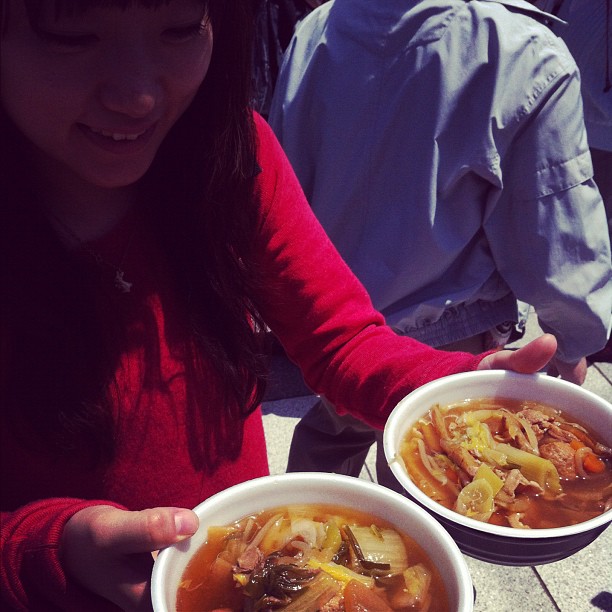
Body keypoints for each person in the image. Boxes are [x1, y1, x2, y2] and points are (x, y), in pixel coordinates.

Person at [0, 1, 560, 610]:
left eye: (181, 27)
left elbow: (339, 338)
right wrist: (48, 548)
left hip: (243, 570)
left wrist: (451, 399)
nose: (137, 96)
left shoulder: (233, 158)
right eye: (71, 34)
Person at [268, 0, 612, 488]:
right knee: (429, 474)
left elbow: (285, 170)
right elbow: (555, 227)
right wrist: (577, 334)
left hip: (336, 316)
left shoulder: (323, 23)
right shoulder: (521, 52)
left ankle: (303, 503)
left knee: (337, 428)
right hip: (447, 331)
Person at [533, 0, 612, 362]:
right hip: (564, 119)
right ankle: (583, 338)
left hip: (575, 119)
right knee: (577, 231)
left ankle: (588, 335)